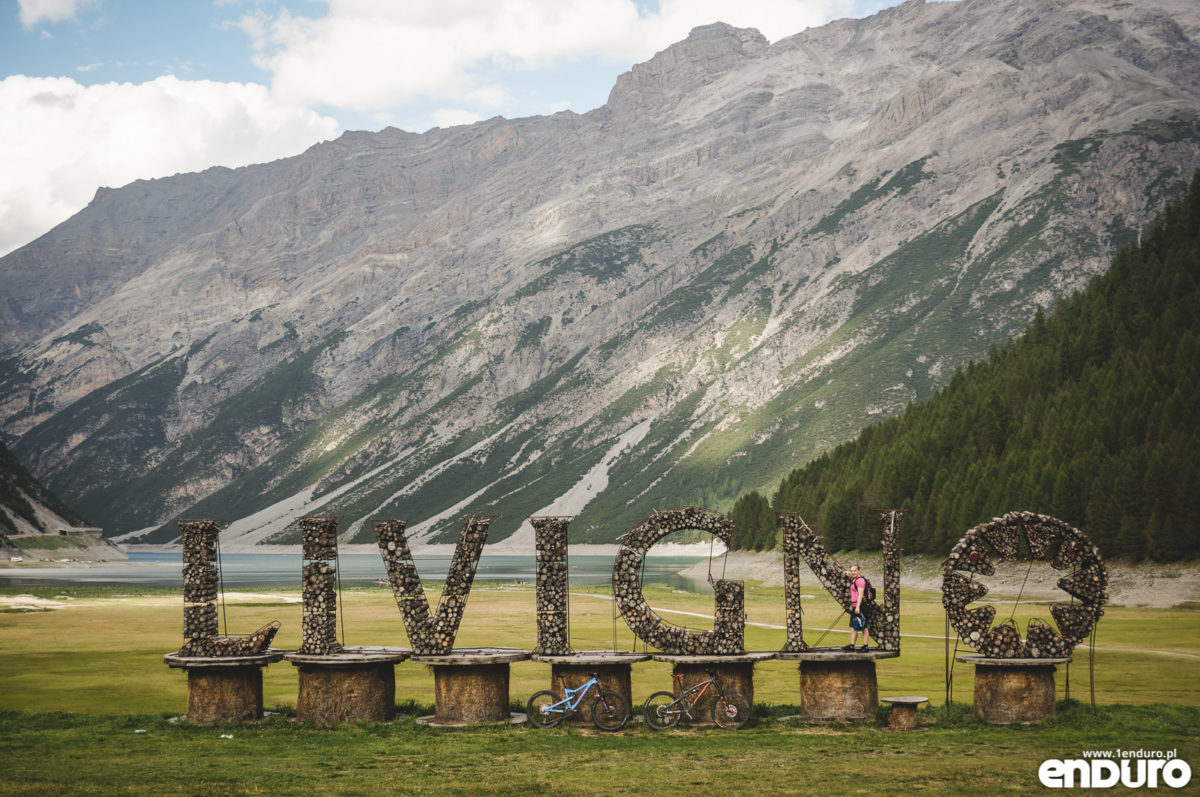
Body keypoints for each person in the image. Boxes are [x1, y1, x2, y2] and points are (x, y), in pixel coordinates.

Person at [842, 563, 871, 652]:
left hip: (861, 605)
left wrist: (857, 607)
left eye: (855, 570)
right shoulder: (855, 579)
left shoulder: (860, 581)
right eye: (852, 571)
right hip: (856, 605)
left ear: (859, 571)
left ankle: (865, 647)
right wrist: (848, 573)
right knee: (853, 626)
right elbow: (851, 574)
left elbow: (860, 594)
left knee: (863, 626)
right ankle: (852, 646)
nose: (853, 572)